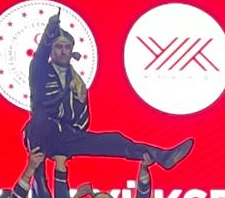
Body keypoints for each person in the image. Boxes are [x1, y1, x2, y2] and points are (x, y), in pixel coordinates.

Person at [24, 9, 193, 167]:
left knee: (114, 140)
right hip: (44, 134)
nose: (63, 51)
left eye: (67, 47)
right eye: (58, 47)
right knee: (38, 122)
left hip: (67, 136)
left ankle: (160, 156)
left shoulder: (76, 81)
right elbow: (39, 59)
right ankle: (39, 181)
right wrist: (49, 32)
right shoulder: (41, 72)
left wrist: (77, 107)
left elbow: (82, 121)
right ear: (51, 50)